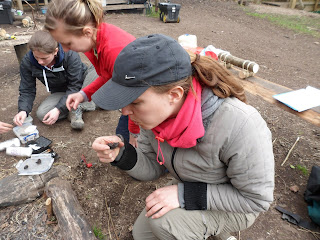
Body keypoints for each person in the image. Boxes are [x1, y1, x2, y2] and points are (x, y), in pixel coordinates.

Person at [91, 34, 275, 240]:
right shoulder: (155, 118)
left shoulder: (240, 123)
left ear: (174, 95)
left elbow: (255, 200)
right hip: (193, 183)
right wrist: (121, 154)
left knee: (164, 224)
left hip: (237, 206)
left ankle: (217, 228)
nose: (125, 111)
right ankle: (209, 228)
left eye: (134, 102)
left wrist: (185, 195)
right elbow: (153, 165)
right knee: (142, 234)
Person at [44, 0, 140, 146]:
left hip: (150, 101)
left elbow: (136, 97)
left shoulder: (115, 51)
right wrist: (83, 94)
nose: (66, 49)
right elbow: (106, 75)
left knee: (137, 143)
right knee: (122, 138)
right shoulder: (93, 42)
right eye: (61, 44)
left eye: (68, 43)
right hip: (135, 95)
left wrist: (135, 133)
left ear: (87, 32)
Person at [13, 30, 97, 130]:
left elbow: (75, 85)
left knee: (98, 70)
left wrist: (58, 109)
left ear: (55, 51)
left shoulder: (69, 54)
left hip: (83, 83)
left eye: (44, 58)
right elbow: (27, 89)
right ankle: (78, 106)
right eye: (36, 57)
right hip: (62, 92)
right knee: (42, 114)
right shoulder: (27, 62)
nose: (40, 62)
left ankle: (77, 106)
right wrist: (23, 110)